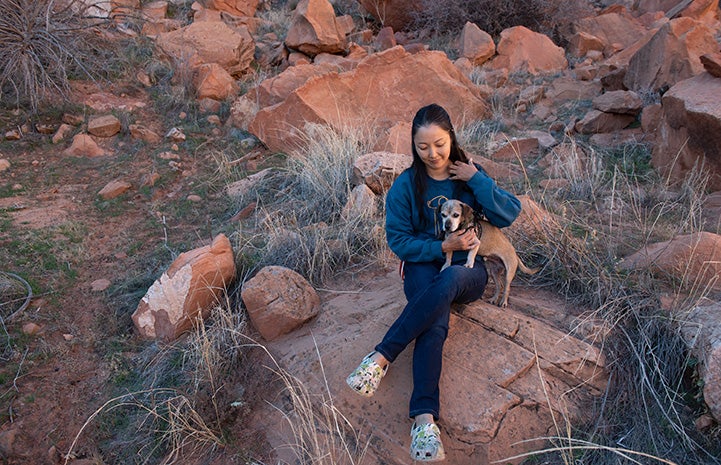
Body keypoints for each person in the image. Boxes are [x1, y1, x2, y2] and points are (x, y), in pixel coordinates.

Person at [345, 103, 522, 462]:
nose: (433, 154)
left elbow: (509, 213)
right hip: (425, 265)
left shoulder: (470, 176)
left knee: (452, 277)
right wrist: (442, 245)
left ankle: (381, 356)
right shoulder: (406, 186)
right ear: (413, 145)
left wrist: (477, 178)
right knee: (434, 317)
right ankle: (424, 420)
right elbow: (398, 240)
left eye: (439, 144)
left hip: (468, 271)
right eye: (423, 146)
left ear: (451, 138)